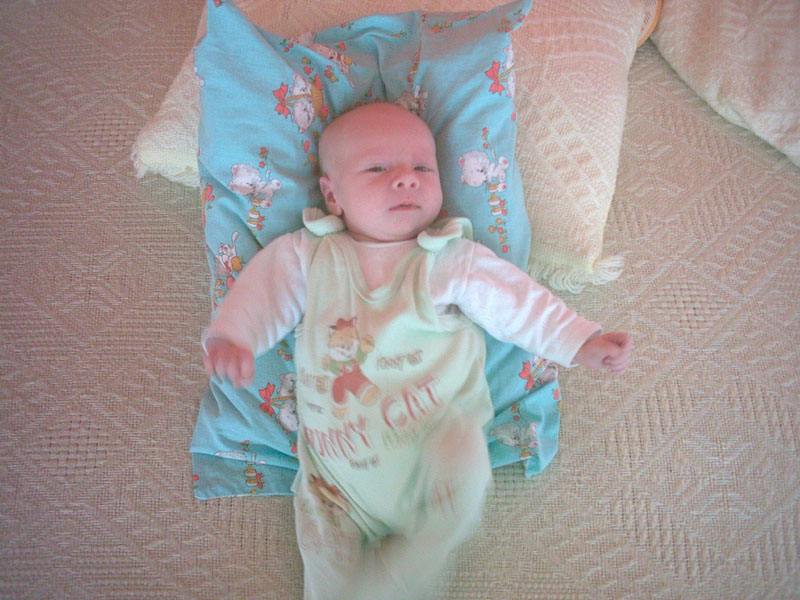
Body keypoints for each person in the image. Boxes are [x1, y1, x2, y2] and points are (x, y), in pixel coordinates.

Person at [203, 102, 633, 599]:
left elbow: (520, 305)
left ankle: (406, 572)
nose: (406, 178)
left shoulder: (448, 259)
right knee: (326, 562)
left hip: (432, 456)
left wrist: (580, 341)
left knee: (465, 467)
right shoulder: (308, 254)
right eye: (377, 168)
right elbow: (261, 295)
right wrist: (234, 337)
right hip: (336, 484)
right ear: (332, 194)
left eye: (423, 168)